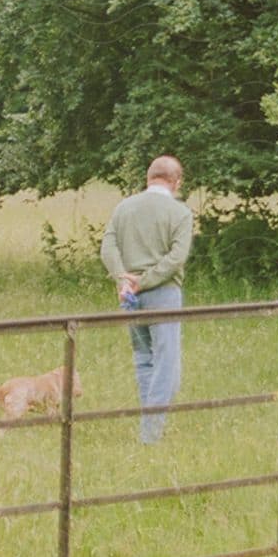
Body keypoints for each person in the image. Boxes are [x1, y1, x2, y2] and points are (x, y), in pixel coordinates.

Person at [100, 154, 193, 443]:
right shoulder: (180, 213)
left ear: (148, 178)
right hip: (162, 293)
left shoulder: (124, 208)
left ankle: (150, 427)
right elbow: (176, 258)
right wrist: (145, 281)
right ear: (176, 182)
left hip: (129, 295)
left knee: (144, 360)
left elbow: (108, 247)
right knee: (167, 365)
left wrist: (122, 278)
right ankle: (150, 435)